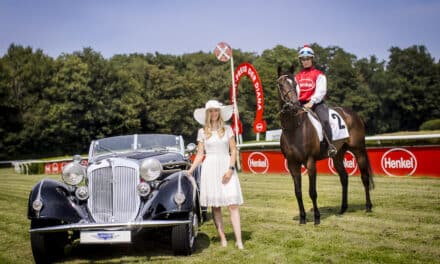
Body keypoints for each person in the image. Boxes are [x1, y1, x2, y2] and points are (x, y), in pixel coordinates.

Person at [187, 99, 244, 250]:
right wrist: (190, 170)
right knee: (216, 206)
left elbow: (233, 150)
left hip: (226, 165)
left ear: (220, 112)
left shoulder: (228, 129)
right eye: (210, 111)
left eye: (216, 110)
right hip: (210, 168)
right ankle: (223, 238)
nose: (213, 113)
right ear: (207, 113)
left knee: (233, 204)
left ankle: (239, 240)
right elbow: (200, 155)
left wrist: (231, 169)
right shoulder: (202, 132)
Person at [295, 44, 337, 157]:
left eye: (308, 59)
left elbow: (321, 91)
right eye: (303, 59)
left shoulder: (319, 74)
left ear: (312, 59)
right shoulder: (297, 76)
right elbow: (297, 92)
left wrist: (312, 102)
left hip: (316, 104)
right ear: (300, 60)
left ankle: (330, 147)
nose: (305, 61)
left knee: (324, 121)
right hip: (301, 105)